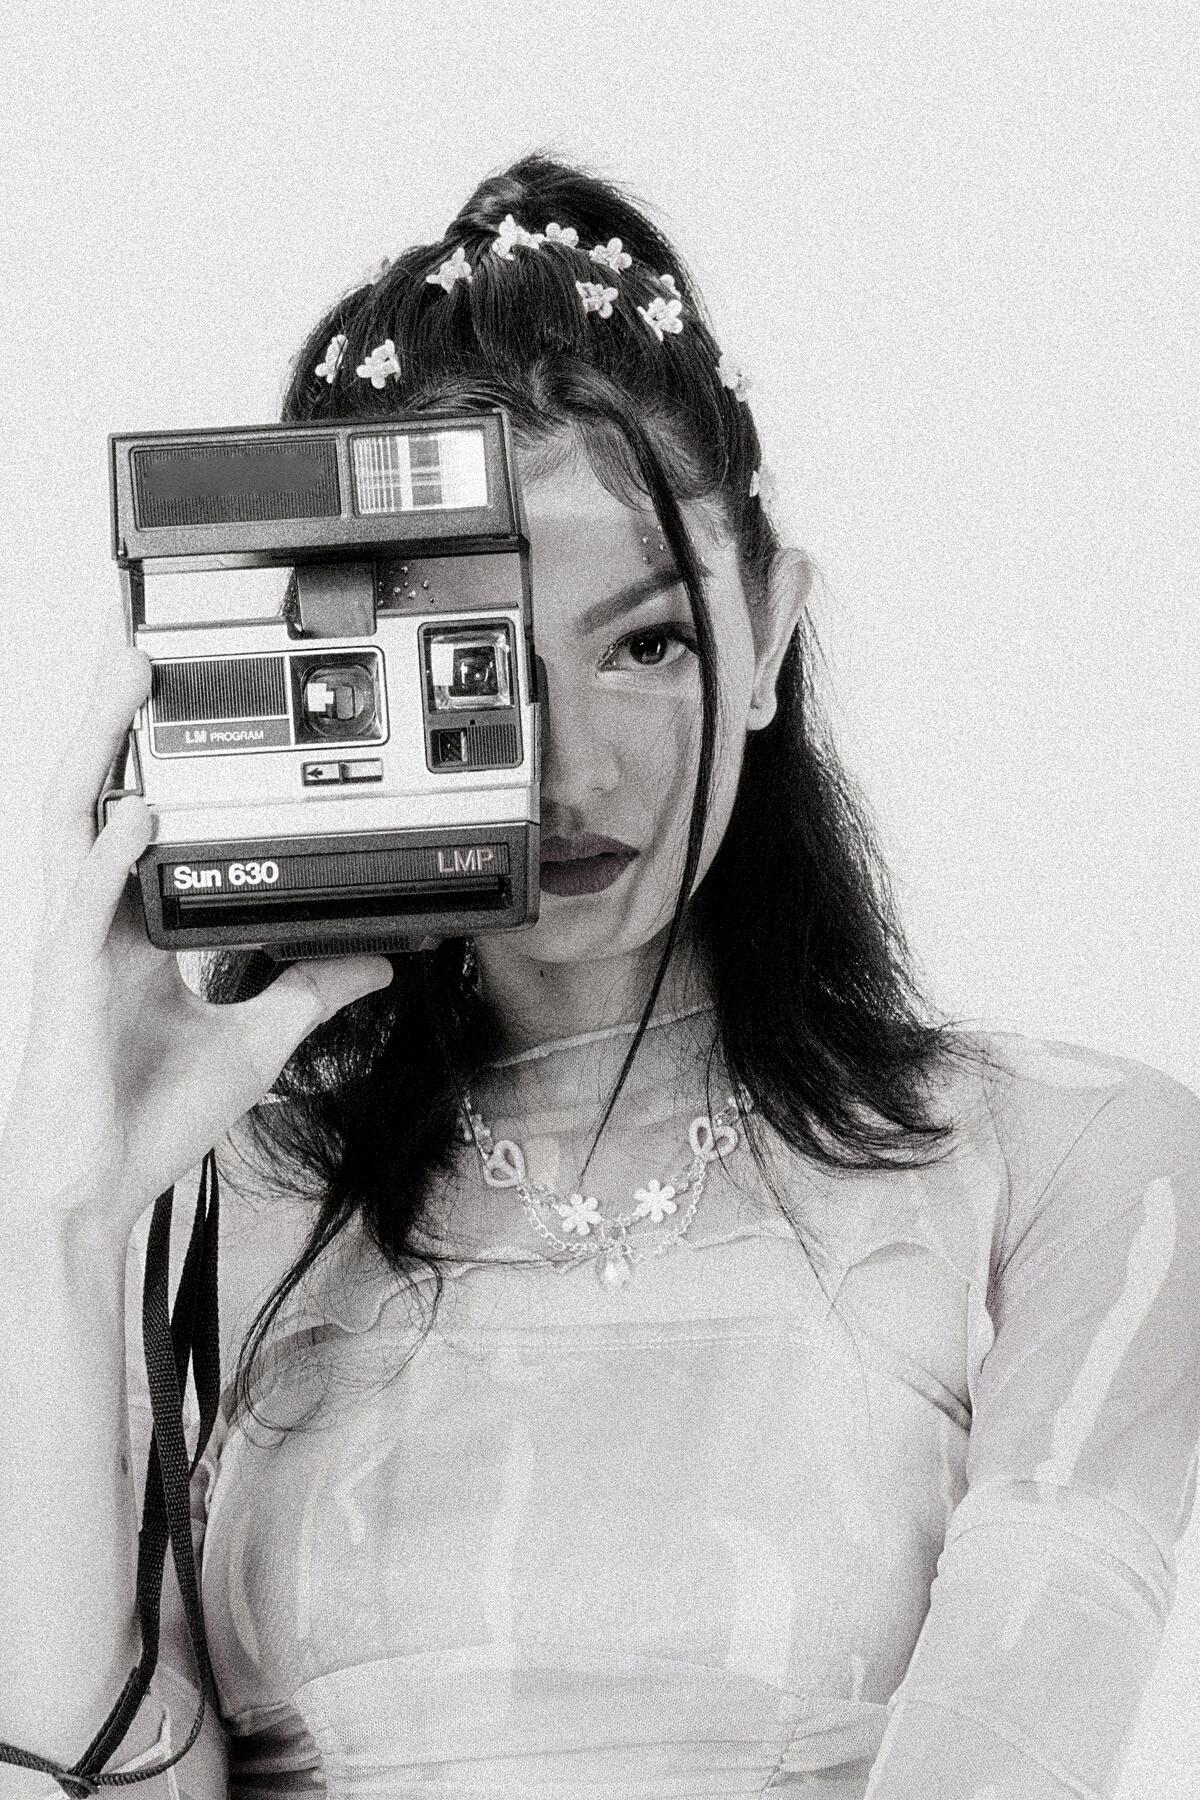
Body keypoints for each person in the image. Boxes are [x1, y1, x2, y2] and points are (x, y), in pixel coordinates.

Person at [2, 151, 1199, 1800]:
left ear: (769, 633)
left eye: (649, 643)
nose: (571, 770)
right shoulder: (206, 1220)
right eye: (479, 666)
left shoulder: (1068, 1166)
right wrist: (66, 1218)